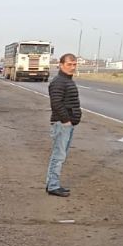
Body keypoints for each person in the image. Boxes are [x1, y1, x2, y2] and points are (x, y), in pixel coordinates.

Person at [45, 53, 81, 197]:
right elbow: (56, 103)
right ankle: (53, 186)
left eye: (74, 64)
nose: (72, 67)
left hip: (66, 124)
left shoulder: (67, 80)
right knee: (58, 156)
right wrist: (66, 120)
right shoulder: (59, 81)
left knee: (60, 155)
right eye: (69, 64)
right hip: (61, 124)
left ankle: (51, 184)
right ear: (61, 65)